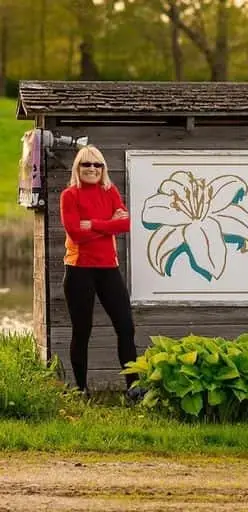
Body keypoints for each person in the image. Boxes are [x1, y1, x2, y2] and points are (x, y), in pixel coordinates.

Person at [59, 144, 142, 400]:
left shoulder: (110, 191)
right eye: (87, 164)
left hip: (108, 269)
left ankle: (134, 387)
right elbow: (75, 233)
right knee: (82, 330)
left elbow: (127, 223)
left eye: (98, 165)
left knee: (126, 327)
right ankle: (81, 389)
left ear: (103, 169)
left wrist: (94, 224)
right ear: (78, 168)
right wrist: (110, 225)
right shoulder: (69, 195)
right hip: (79, 269)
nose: (92, 169)